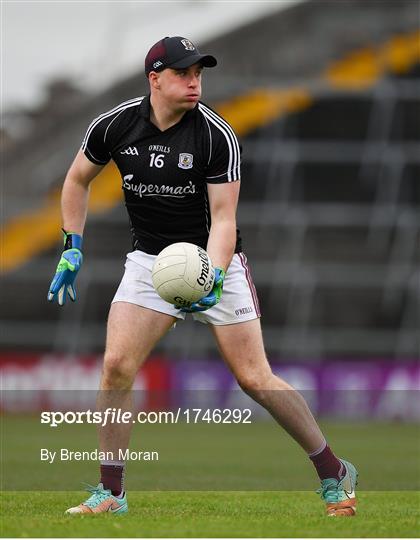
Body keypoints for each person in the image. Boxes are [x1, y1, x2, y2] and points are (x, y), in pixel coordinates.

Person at [48, 36, 358, 517]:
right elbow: (76, 180)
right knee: (116, 368)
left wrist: (211, 276)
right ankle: (111, 492)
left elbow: (225, 220)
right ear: (155, 79)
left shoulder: (215, 135)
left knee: (254, 379)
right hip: (150, 261)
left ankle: (333, 471)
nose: (195, 82)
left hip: (216, 262)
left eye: (199, 73)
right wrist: (72, 246)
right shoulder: (113, 126)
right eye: (183, 73)